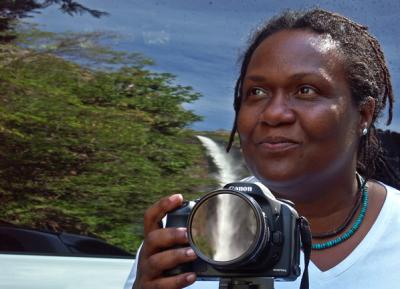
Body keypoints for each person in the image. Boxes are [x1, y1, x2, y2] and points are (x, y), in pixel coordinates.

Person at [124, 8, 400, 289]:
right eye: (256, 92)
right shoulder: (184, 243)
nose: (274, 113)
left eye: (306, 90)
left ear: (364, 114)